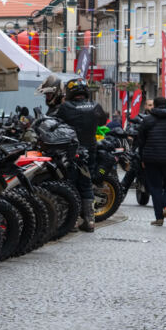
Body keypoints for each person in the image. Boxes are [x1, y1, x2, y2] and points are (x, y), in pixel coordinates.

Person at [54, 77, 107, 232]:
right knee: (86, 183)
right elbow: (103, 121)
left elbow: (55, 123)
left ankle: (73, 221)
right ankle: (90, 220)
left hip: (71, 150)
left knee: (70, 183)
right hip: (90, 150)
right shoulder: (95, 106)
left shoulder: (65, 107)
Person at [136, 96, 166, 226]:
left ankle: (159, 218)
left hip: (151, 159)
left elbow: (141, 141)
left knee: (155, 187)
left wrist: (142, 158)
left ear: (154, 105)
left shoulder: (147, 120)